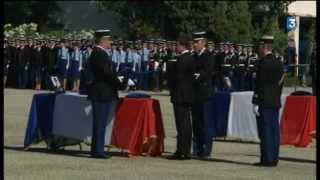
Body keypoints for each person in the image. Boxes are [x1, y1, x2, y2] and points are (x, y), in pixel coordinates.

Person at [88, 29, 123, 159]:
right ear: (102, 41)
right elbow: (106, 73)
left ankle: (96, 149)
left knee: (100, 122)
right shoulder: (99, 53)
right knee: (100, 122)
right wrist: (119, 81)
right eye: (108, 40)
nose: (110, 42)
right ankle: (98, 151)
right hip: (102, 91)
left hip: (103, 91)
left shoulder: (100, 53)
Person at [252, 35, 284, 167]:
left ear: (264, 47)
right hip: (275, 100)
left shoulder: (262, 63)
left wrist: (256, 101)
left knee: (265, 131)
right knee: (274, 130)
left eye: (260, 46)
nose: (259, 48)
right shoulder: (278, 62)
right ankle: (274, 157)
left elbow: (260, 84)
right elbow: (281, 83)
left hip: (264, 101)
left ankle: (267, 159)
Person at [167, 34, 196, 160]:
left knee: (182, 124)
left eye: (176, 45)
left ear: (181, 45)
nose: (175, 47)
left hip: (180, 94)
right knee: (186, 124)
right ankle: (185, 150)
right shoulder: (189, 57)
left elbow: (177, 76)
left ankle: (182, 151)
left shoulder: (183, 58)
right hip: (187, 94)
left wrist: (169, 77)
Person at [191, 31, 216, 159]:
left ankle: (206, 149)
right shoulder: (193, 56)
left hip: (205, 93)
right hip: (195, 93)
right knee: (196, 122)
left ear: (203, 42)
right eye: (194, 42)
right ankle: (196, 148)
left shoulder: (209, 56)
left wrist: (197, 75)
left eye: (197, 42)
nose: (194, 45)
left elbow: (207, 72)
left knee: (206, 122)